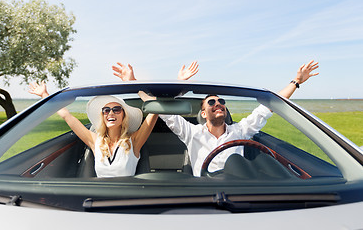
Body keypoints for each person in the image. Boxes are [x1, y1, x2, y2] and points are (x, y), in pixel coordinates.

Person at [113, 60, 319, 177]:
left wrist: (296, 82)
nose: (218, 103)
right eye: (211, 103)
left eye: (221, 101)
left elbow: (268, 107)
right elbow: (161, 109)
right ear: (203, 113)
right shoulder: (191, 133)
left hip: (238, 190)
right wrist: (133, 83)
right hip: (203, 192)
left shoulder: (240, 131)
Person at [28, 81, 158, 178]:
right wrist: (45, 95)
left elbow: (154, 109)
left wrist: (134, 84)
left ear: (124, 116)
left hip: (126, 200)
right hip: (98, 199)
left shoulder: (134, 141)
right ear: (103, 116)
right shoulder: (95, 140)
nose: (111, 113)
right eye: (106, 110)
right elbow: (67, 116)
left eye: (116, 110)